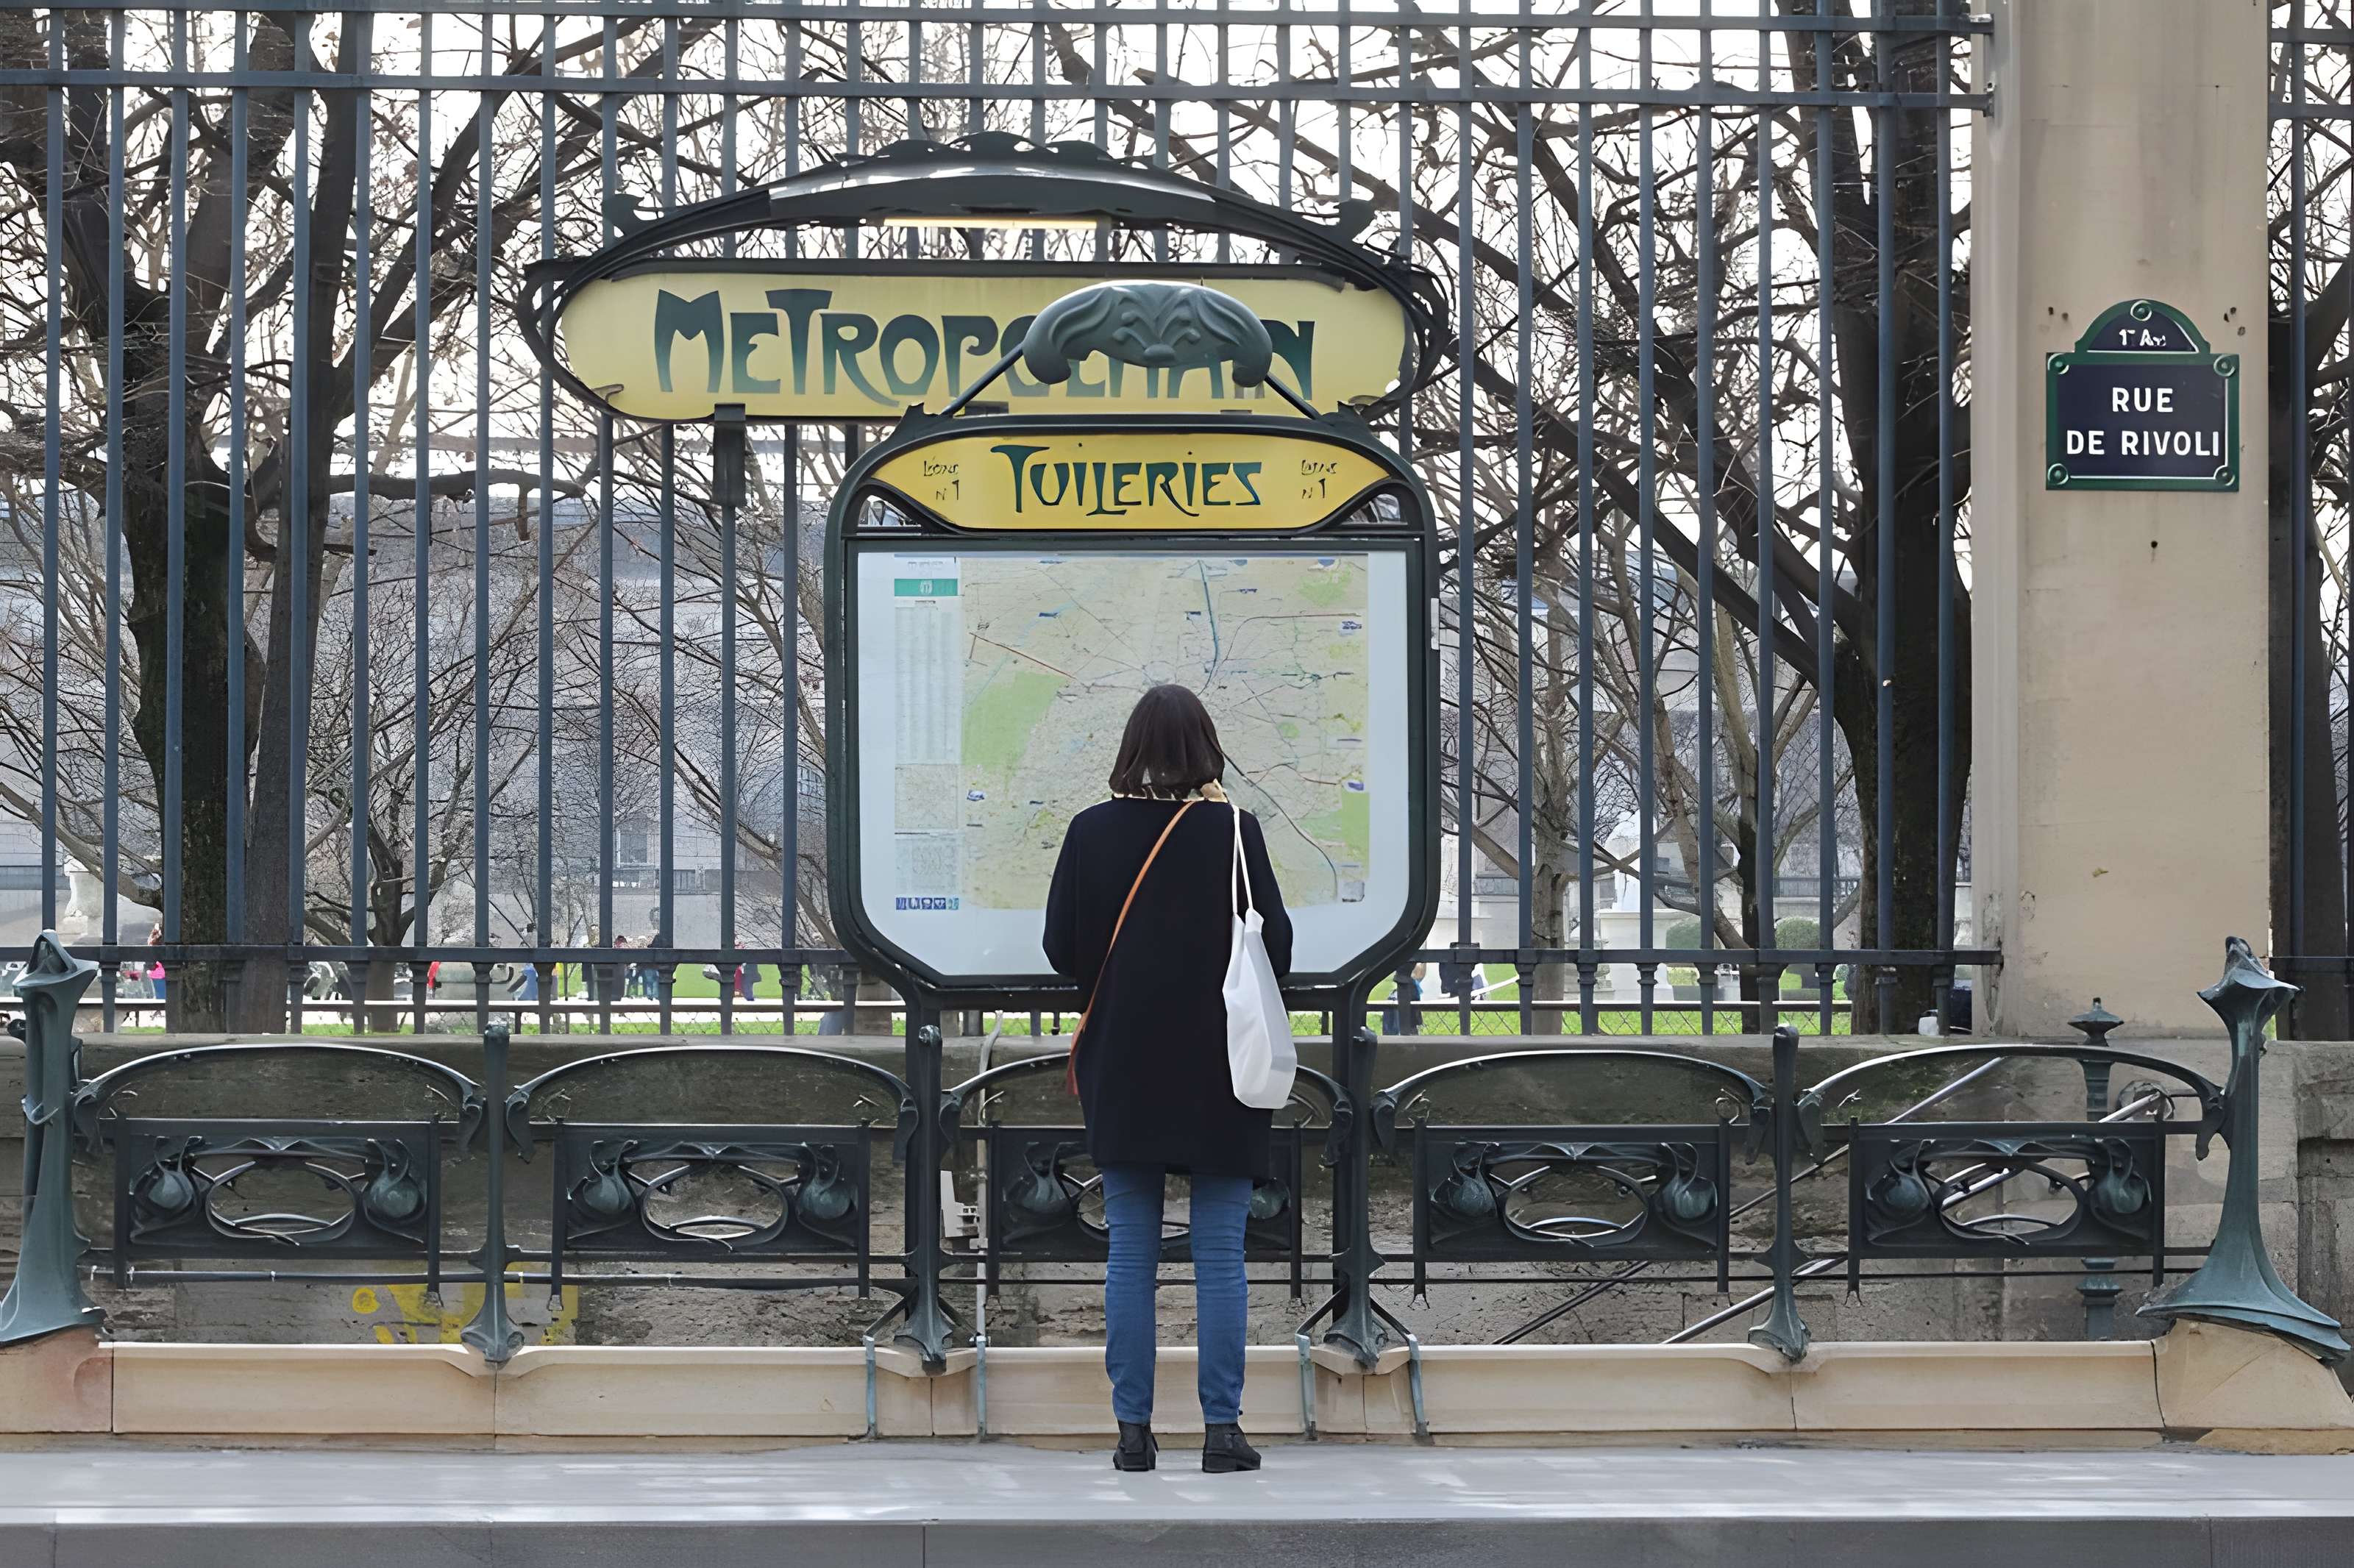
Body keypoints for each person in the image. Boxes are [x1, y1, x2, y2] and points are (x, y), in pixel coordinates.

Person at [1042, 684, 1291, 1476]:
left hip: (1125, 1061)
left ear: (1128, 746)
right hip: (1222, 1063)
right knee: (1220, 1252)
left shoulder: (1089, 830)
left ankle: (1131, 1432)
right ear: (1205, 747)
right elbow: (1274, 945)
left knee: (1130, 1254)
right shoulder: (1232, 831)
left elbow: (1061, 945)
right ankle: (1222, 1430)